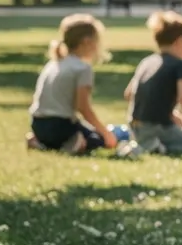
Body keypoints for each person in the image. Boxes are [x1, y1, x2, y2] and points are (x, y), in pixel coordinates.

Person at [27, 14, 118, 154]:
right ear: (87, 42)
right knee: (99, 140)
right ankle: (75, 143)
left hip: (37, 124)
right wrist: (106, 133)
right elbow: (83, 108)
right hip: (60, 126)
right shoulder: (82, 68)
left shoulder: (54, 63)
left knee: (85, 132)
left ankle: (39, 142)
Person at [125, 11, 182, 157]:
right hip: (157, 127)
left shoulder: (147, 62)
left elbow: (128, 94)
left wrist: (169, 113)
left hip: (134, 126)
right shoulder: (179, 65)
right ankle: (156, 147)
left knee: (177, 134)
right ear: (180, 41)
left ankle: (144, 144)